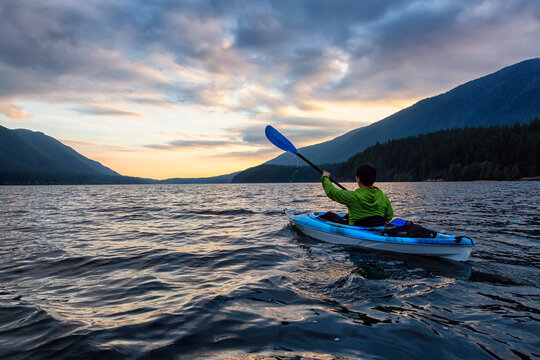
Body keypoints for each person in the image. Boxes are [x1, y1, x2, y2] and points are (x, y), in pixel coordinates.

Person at [321, 164, 393, 226]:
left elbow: (332, 192)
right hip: (377, 228)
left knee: (328, 215)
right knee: (347, 216)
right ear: (374, 179)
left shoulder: (352, 196)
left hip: (356, 228)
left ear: (358, 179)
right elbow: (389, 217)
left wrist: (325, 177)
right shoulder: (383, 197)